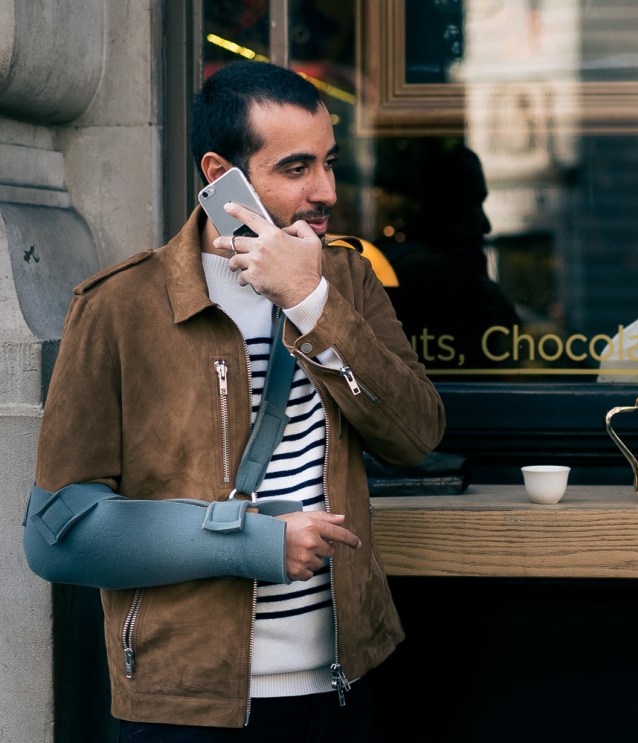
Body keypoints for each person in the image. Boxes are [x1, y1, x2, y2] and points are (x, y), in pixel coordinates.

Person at [23, 60, 445, 740]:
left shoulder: (347, 281)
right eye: (298, 168)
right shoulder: (122, 307)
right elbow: (56, 535)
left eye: (330, 164)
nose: (326, 190)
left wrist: (312, 303)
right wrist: (254, 543)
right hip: (184, 707)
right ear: (223, 176)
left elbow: (416, 434)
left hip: (340, 685)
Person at [371, 141, 521, 371]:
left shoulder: (398, 263)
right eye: (473, 204)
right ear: (444, 208)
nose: (486, 225)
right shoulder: (432, 274)